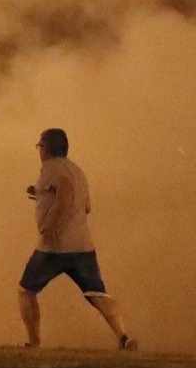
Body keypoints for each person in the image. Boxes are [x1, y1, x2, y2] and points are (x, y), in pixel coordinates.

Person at [18, 128, 137, 350]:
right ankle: (124, 337)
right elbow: (87, 206)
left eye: (39, 146)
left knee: (26, 290)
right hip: (83, 246)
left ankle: (33, 343)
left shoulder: (51, 168)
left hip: (53, 248)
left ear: (45, 149)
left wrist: (53, 222)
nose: (39, 151)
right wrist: (41, 194)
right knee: (97, 294)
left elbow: (64, 188)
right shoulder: (77, 170)